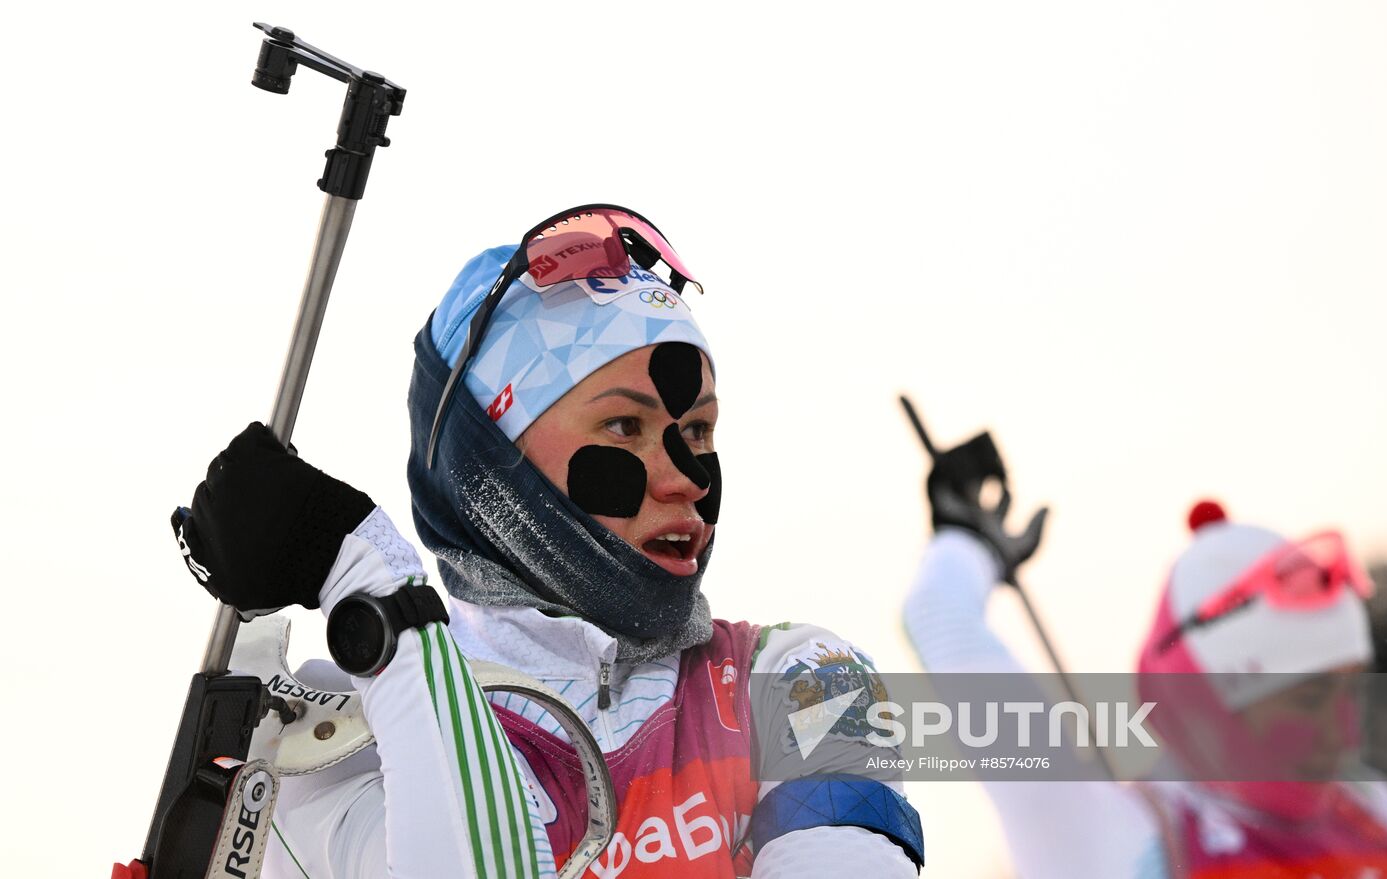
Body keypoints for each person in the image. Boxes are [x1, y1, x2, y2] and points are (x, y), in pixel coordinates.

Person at [177, 205, 924, 878]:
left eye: (697, 430)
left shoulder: (804, 681)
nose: (686, 478)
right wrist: (379, 603)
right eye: (625, 427)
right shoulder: (345, 730)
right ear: (490, 470)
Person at [901, 431, 1387, 878]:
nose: (1346, 731)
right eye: (1309, 698)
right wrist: (964, 546)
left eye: (1351, 690)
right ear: (1209, 703)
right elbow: (941, 620)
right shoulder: (1115, 839)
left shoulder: (1375, 811)